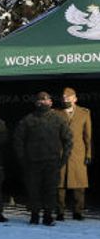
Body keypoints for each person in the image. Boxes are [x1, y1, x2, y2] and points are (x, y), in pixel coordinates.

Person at [14, 91, 71, 225]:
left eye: (45, 100)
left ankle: (48, 216)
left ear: (50, 102)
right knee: (33, 190)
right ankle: (34, 215)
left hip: (52, 162)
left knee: (50, 191)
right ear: (36, 103)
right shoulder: (28, 119)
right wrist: (22, 158)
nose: (43, 102)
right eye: (40, 100)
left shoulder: (58, 119)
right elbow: (18, 139)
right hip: (32, 162)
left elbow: (68, 140)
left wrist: (64, 159)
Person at [55, 87, 91, 220]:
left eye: (68, 98)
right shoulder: (56, 113)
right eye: (64, 98)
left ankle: (78, 212)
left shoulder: (84, 113)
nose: (65, 100)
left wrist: (88, 154)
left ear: (75, 99)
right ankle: (60, 212)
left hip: (78, 153)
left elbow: (87, 136)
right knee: (60, 184)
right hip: (60, 152)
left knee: (79, 184)